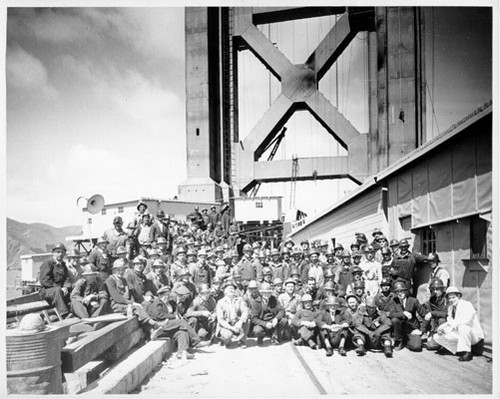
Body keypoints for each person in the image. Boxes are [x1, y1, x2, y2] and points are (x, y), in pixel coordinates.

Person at [146, 286, 204, 361]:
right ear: (160, 295)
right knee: (182, 322)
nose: (167, 297)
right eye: (165, 295)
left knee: (181, 332)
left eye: (168, 295)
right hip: (161, 325)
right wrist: (173, 316)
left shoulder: (169, 303)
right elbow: (159, 315)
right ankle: (196, 341)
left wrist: (175, 315)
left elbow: (175, 312)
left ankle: (181, 352)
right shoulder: (157, 303)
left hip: (169, 327)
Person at [434, 286, 485, 361]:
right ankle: (456, 350)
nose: (451, 300)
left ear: (458, 296)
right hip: (461, 333)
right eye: (449, 298)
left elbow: (465, 321)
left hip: (473, 336)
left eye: (453, 297)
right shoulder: (450, 308)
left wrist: (448, 328)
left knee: (463, 327)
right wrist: (441, 328)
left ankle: (467, 352)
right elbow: (450, 321)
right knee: (437, 336)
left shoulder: (466, 305)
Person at [389, 281, 426, 351]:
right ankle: (399, 341)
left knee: (416, 347)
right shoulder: (394, 301)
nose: (400, 293)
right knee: (394, 320)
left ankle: (407, 341)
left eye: (401, 291)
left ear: (405, 291)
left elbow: (425, 315)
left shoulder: (413, 300)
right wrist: (404, 313)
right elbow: (391, 314)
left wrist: (422, 330)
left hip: (412, 328)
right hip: (400, 330)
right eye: (397, 292)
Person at [39, 243, 72, 318]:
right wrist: (60, 288)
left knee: (72, 290)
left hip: (59, 290)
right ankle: (64, 314)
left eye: (62, 252)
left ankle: (74, 309)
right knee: (57, 290)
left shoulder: (63, 265)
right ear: (53, 253)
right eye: (58, 252)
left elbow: (67, 278)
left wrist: (66, 287)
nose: (60, 254)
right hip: (46, 290)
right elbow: (44, 280)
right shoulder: (48, 263)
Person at [215, 280, 249, 348]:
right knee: (227, 336)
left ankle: (242, 341)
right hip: (226, 325)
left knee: (248, 320)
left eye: (232, 288)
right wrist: (231, 328)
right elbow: (221, 320)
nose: (231, 290)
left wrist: (240, 322)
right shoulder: (220, 302)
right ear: (224, 290)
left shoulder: (239, 300)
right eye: (228, 288)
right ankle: (225, 340)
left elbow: (245, 311)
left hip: (236, 323)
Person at [421, 278, 448, 349]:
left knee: (441, 320)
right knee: (430, 345)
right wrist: (423, 330)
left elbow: (446, 314)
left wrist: (432, 313)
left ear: (442, 289)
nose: (435, 291)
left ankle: (445, 343)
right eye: (433, 289)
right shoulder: (432, 299)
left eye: (437, 289)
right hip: (435, 326)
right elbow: (429, 316)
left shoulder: (447, 298)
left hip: (447, 325)